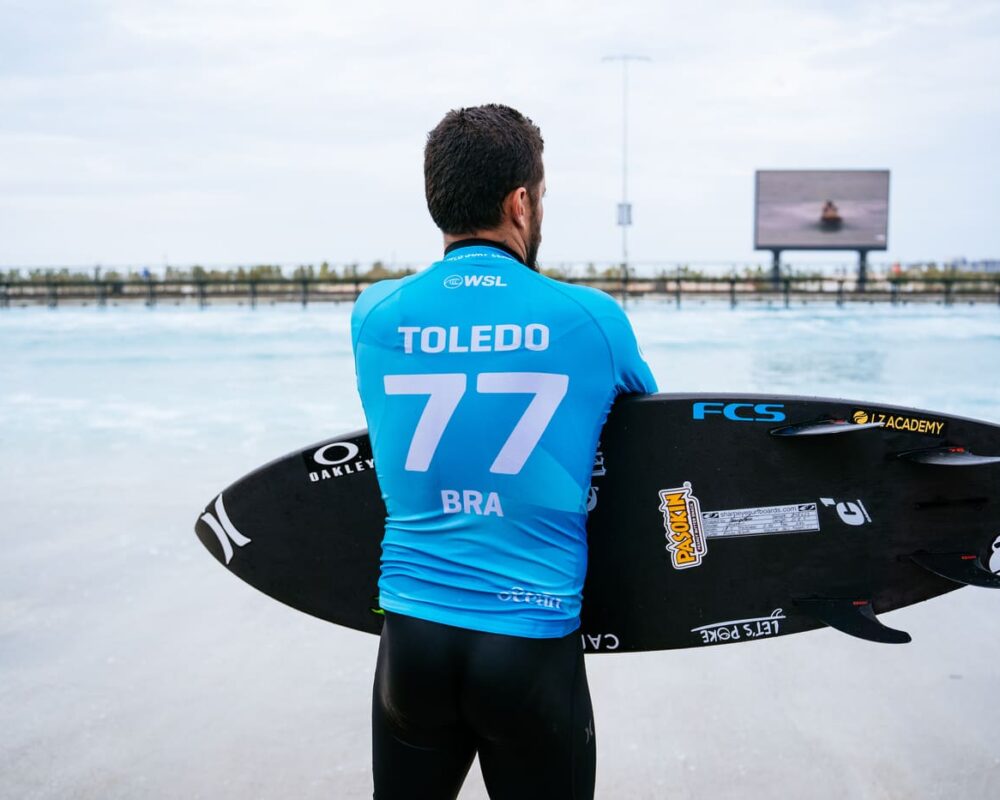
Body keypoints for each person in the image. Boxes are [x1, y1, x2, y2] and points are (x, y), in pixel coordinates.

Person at [351, 103, 658, 800]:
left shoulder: (374, 314)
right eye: (540, 195)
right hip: (529, 644)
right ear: (520, 202)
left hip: (410, 642)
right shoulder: (592, 320)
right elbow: (649, 442)